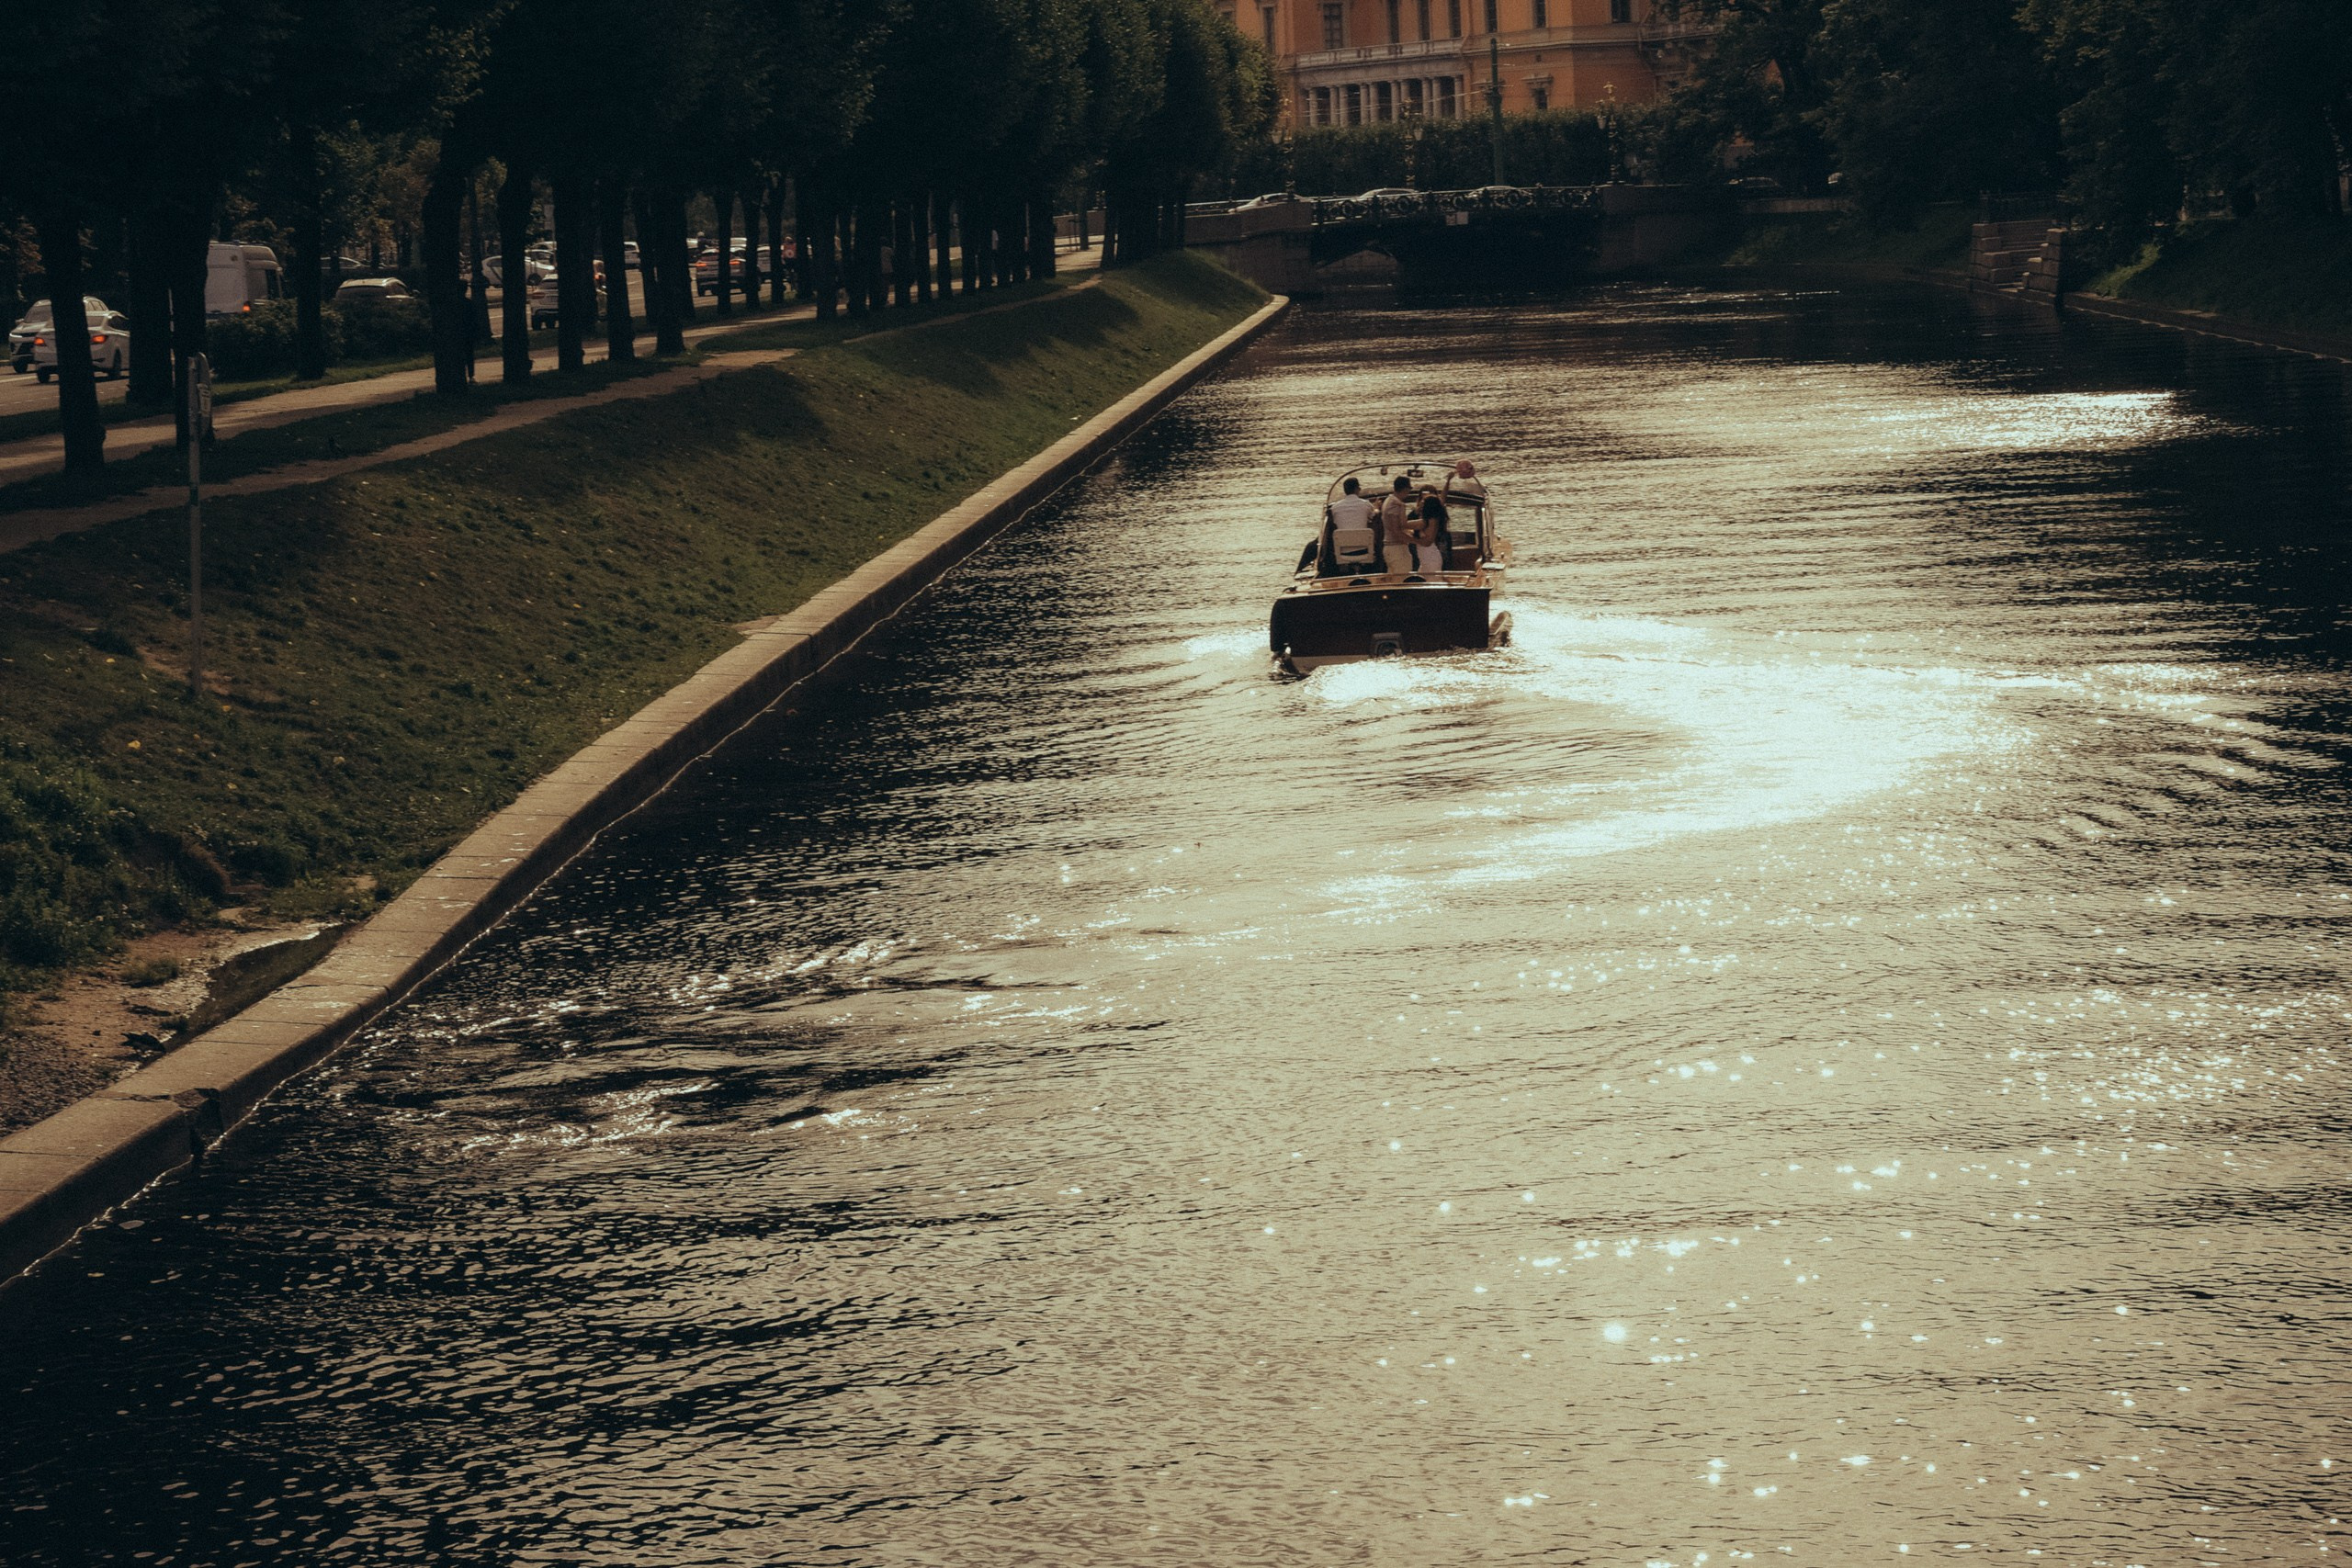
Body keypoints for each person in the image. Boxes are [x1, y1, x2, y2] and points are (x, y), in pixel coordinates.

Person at [1379, 474, 1419, 576]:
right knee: (1402, 579)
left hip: (1391, 548)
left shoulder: (1388, 501)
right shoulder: (1395, 504)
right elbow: (1396, 530)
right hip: (1397, 548)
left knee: (1394, 580)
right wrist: (1416, 541)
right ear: (1405, 489)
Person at [1416, 491, 1451, 573]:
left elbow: (1403, 524)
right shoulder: (1428, 520)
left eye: (1423, 503)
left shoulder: (1428, 522)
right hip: (1425, 559)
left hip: (1431, 559)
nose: (1421, 504)